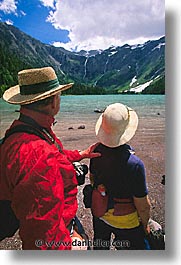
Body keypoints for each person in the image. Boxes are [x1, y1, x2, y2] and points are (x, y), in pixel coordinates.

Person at [0, 67, 100, 250]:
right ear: (53, 101)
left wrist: (80, 154)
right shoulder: (39, 156)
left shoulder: (25, 130)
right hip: (62, 231)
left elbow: (55, 154)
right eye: (59, 95)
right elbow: (43, 238)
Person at [89, 103, 151, 250]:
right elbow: (142, 205)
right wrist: (145, 223)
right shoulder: (135, 164)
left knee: (100, 248)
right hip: (126, 221)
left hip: (100, 213)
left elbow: (92, 179)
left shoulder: (95, 151)